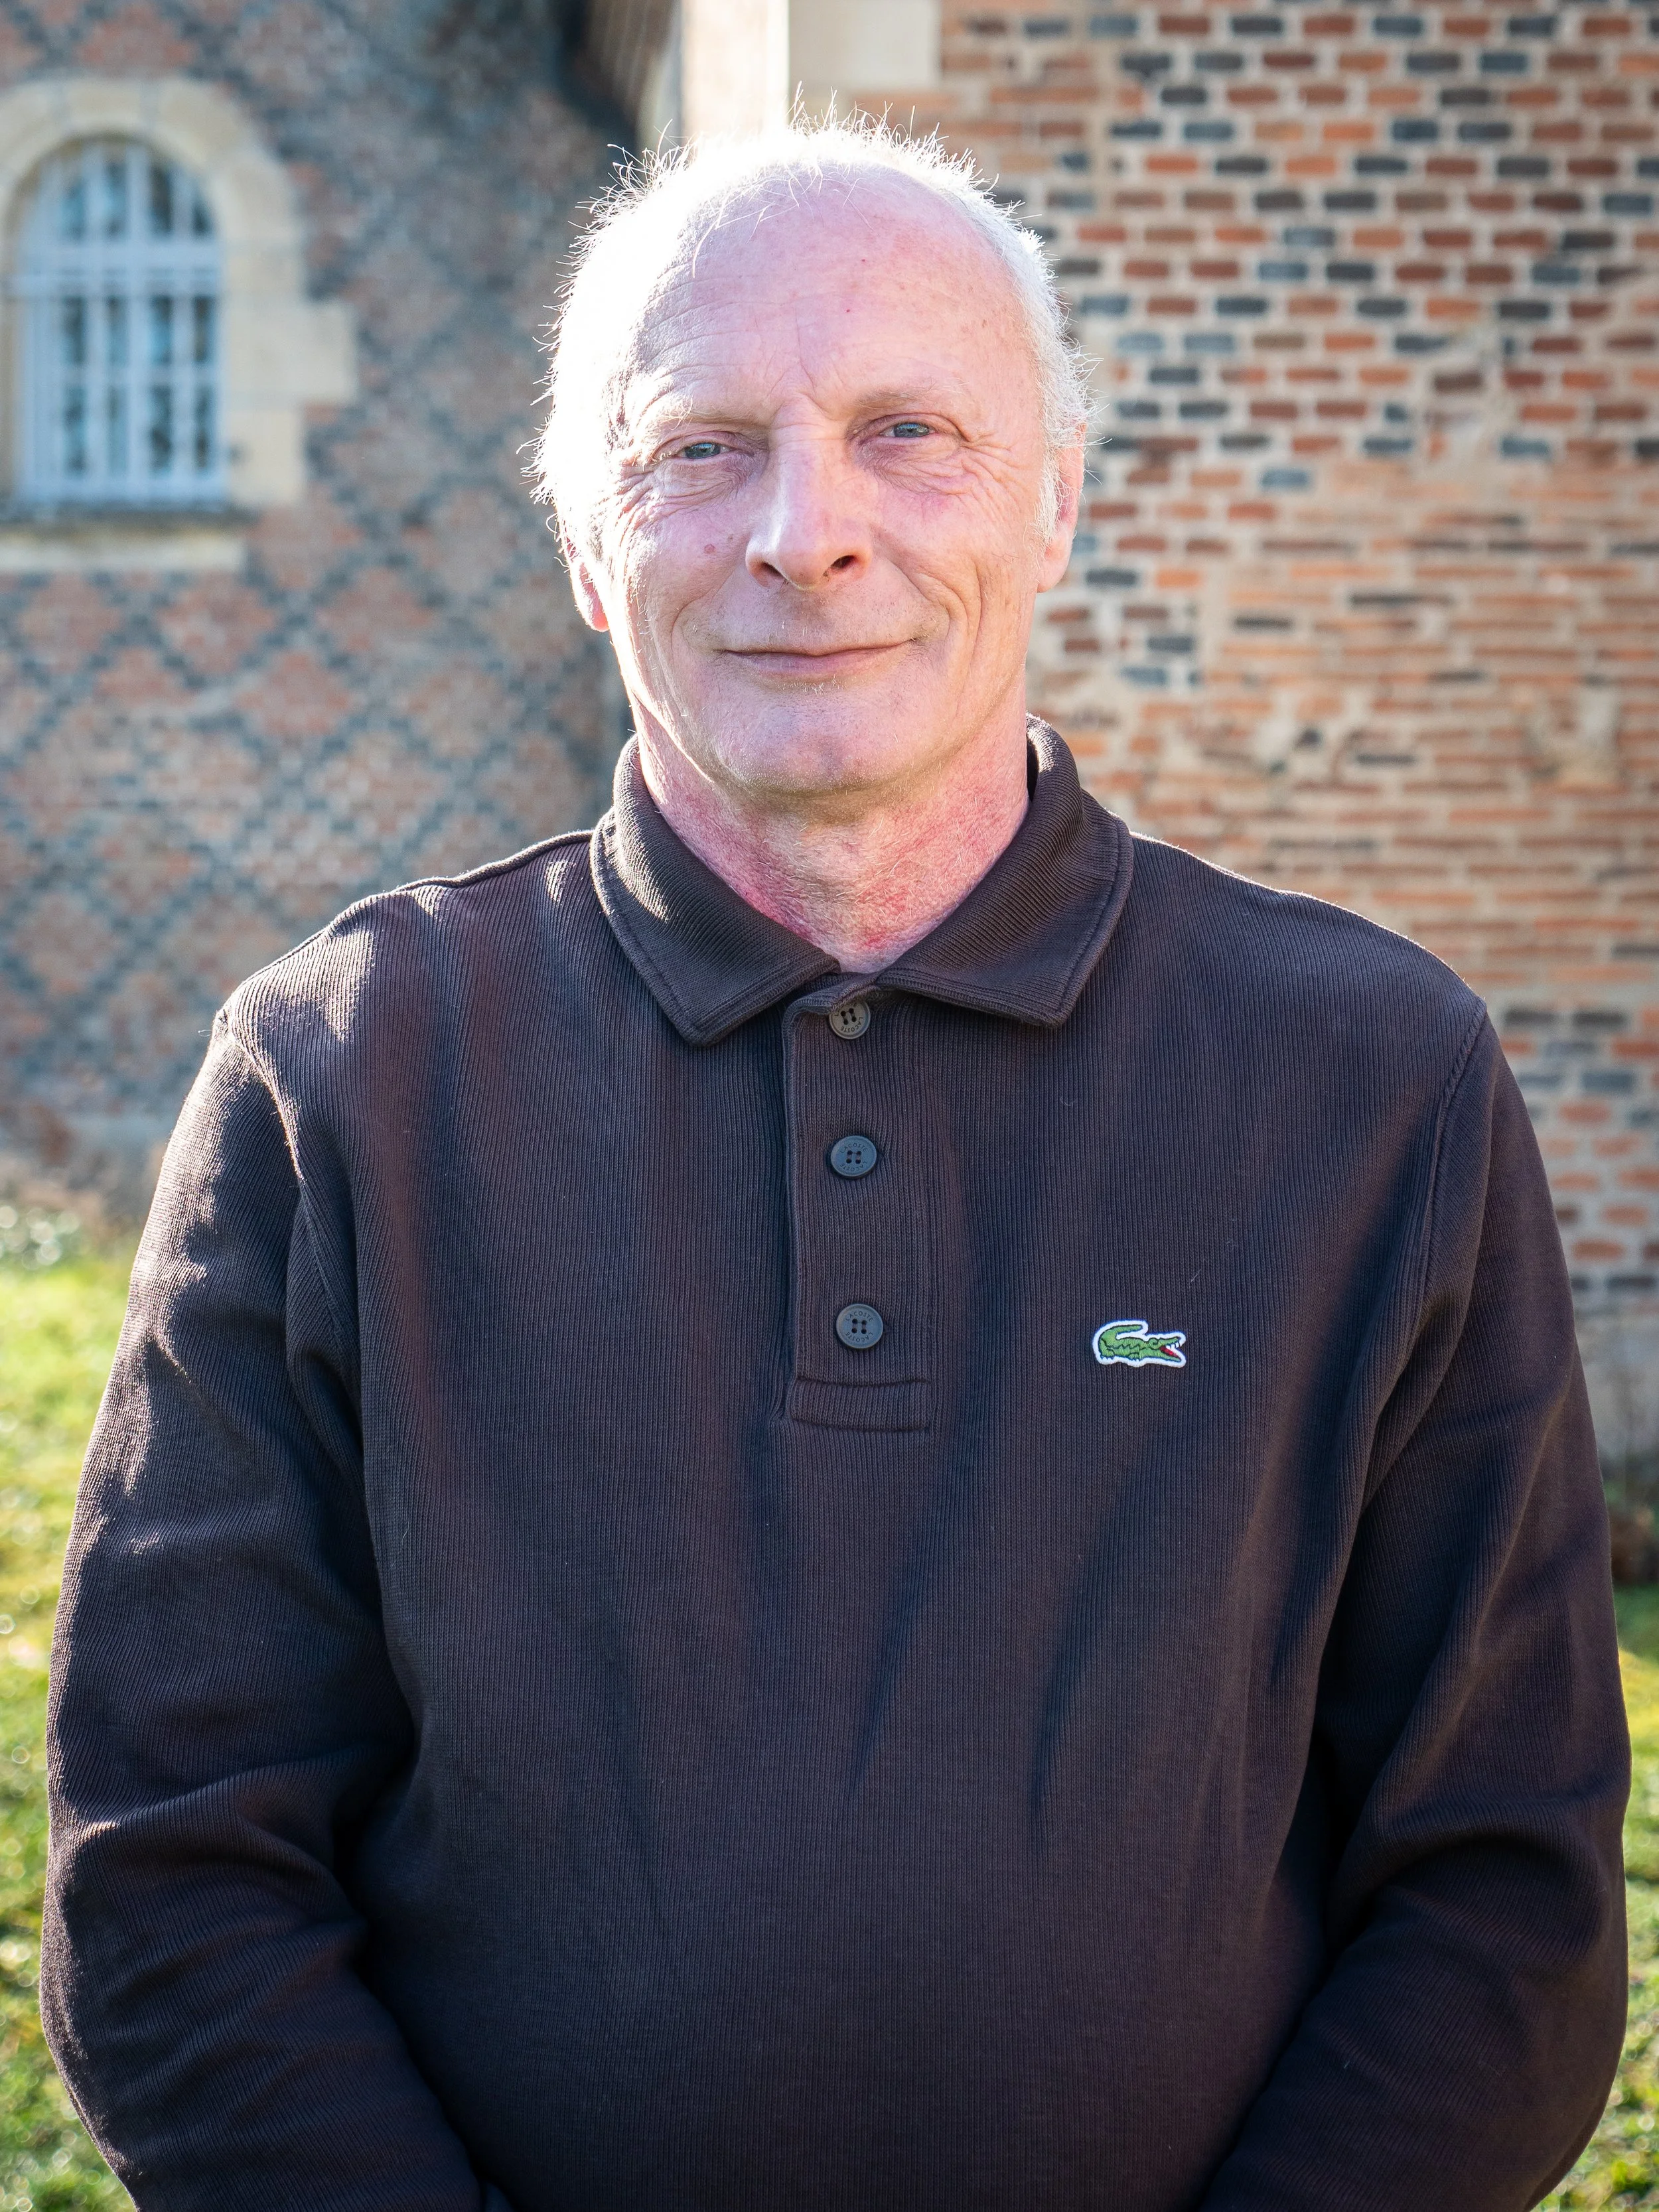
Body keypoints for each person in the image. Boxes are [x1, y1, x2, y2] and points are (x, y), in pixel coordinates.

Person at [44, 123, 1628, 2212]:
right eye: (701, 446)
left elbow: (1499, 1881)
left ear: (1054, 500)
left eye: (908, 432)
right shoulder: (341, 1081)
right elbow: (176, 1859)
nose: (807, 534)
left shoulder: (1369, 1077)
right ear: (586, 541)